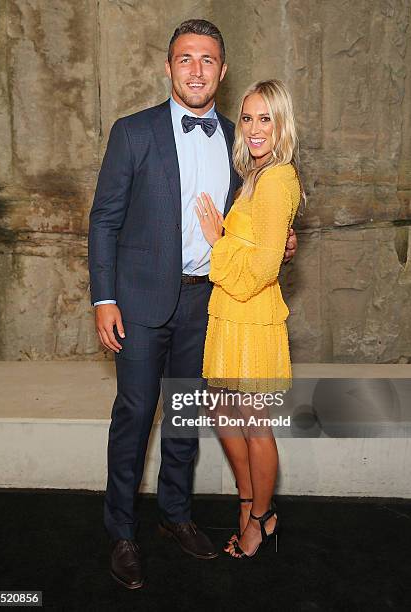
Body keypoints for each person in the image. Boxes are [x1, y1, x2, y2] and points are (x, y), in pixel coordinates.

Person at [88, 20, 297, 589]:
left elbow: (258, 218)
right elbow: (103, 219)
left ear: (222, 72)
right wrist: (104, 298)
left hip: (209, 304)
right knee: (134, 415)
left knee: (184, 418)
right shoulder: (131, 132)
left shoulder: (240, 141)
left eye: (208, 60)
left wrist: (284, 238)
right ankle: (122, 530)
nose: (197, 70)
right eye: (186, 59)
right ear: (169, 67)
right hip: (138, 302)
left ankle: (176, 517)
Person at [195, 79, 303, 558]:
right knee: (220, 411)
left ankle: (260, 518)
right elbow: (263, 245)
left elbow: (262, 268)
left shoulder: (278, 178)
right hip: (230, 315)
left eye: (266, 118)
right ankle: (248, 500)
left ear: (281, 125)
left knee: (256, 423)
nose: (256, 128)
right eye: (248, 117)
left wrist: (218, 241)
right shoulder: (254, 177)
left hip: (253, 316)